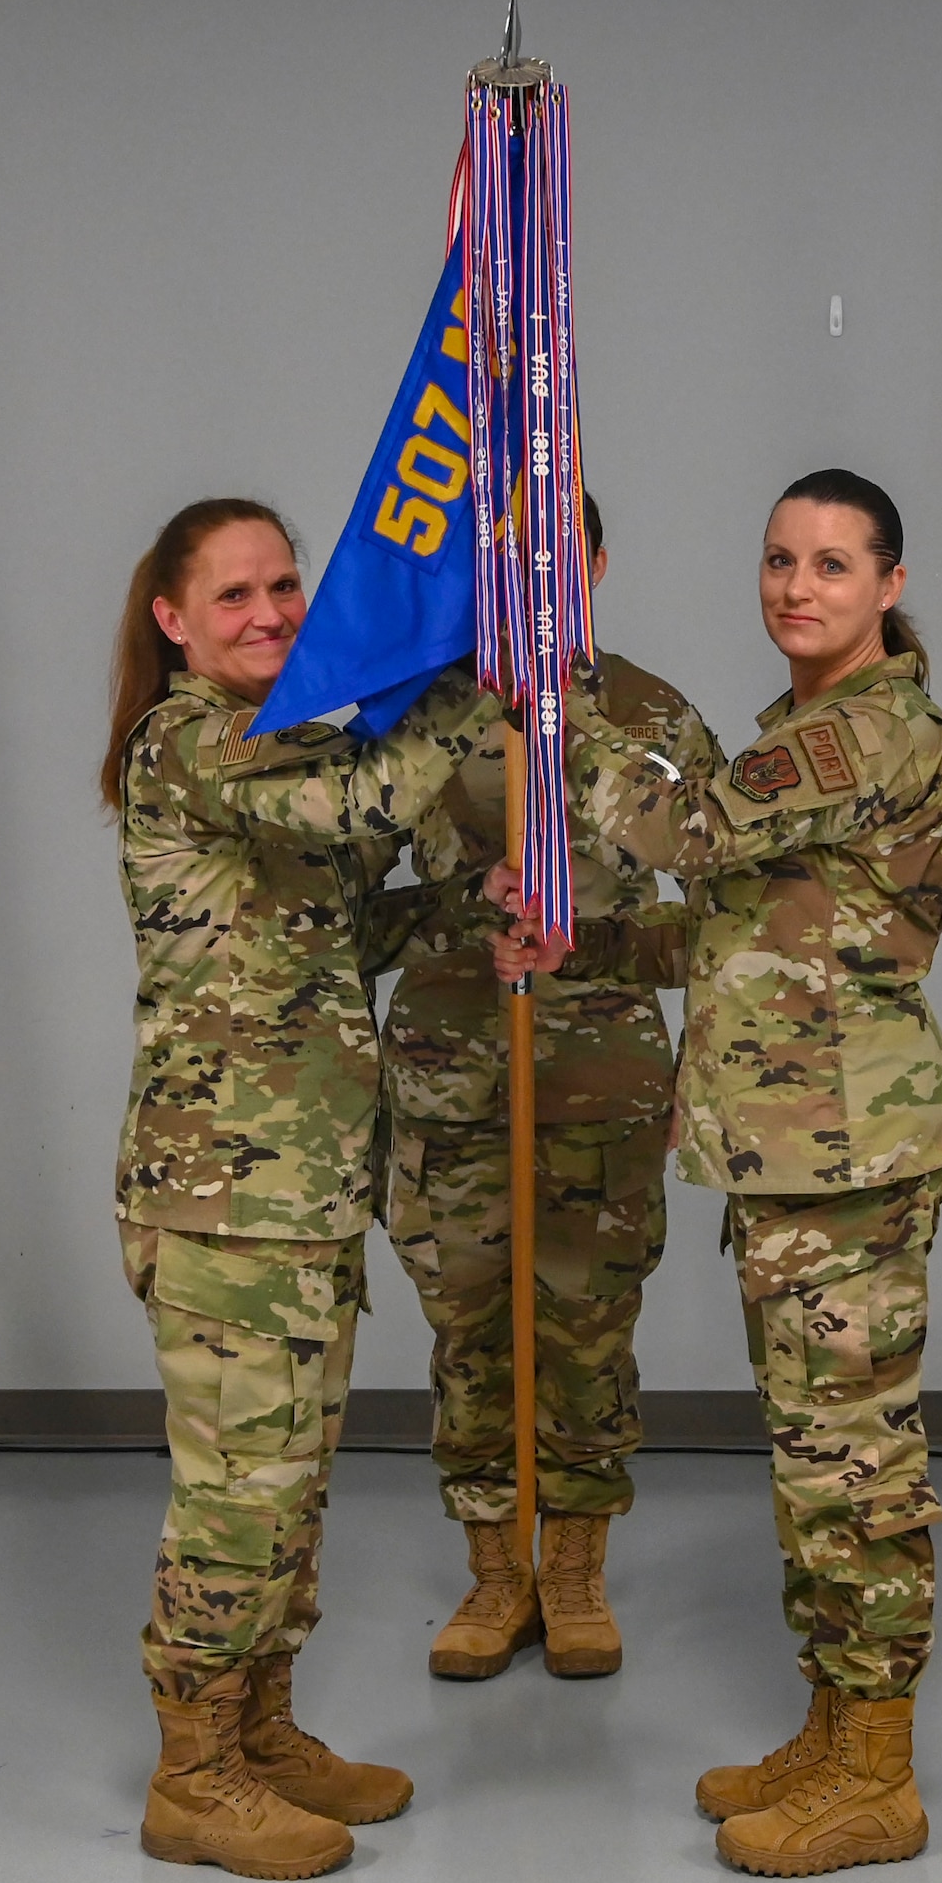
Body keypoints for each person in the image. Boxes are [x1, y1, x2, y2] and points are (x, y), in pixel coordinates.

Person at [503, 469, 942, 1875]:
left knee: (855, 1471)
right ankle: (833, 1732)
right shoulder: (803, 733)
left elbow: (687, 835)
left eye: (831, 565)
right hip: (793, 1148)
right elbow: (744, 933)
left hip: (848, 1154)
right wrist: (576, 951)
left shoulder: (866, 735)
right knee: (811, 1465)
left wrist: (553, 702)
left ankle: (878, 1776)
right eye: (778, 559)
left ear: (887, 587)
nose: (795, 587)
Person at [102, 496, 500, 1880]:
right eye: (234, 598)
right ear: (171, 620)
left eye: (285, 588)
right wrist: (460, 689)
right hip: (223, 1199)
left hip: (305, 1189)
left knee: (291, 1492)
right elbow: (350, 804)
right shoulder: (190, 740)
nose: (269, 615)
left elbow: (328, 919)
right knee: (237, 1500)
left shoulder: (265, 747)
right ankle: (191, 1777)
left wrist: (468, 910)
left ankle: (262, 1732)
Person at [373, 494, 719, 1681]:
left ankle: (571, 1566)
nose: (529, 581)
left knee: (583, 1334)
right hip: (448, 1075)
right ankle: (493, 1571)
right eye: (507, 560)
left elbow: (727, 920)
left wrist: (611, 950)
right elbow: (336, 909)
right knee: (467, 1328)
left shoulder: (653, 716)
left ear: (599, 565)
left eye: (556, 558)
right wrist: (467, 910)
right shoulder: (420, 713)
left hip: (599, 1080)